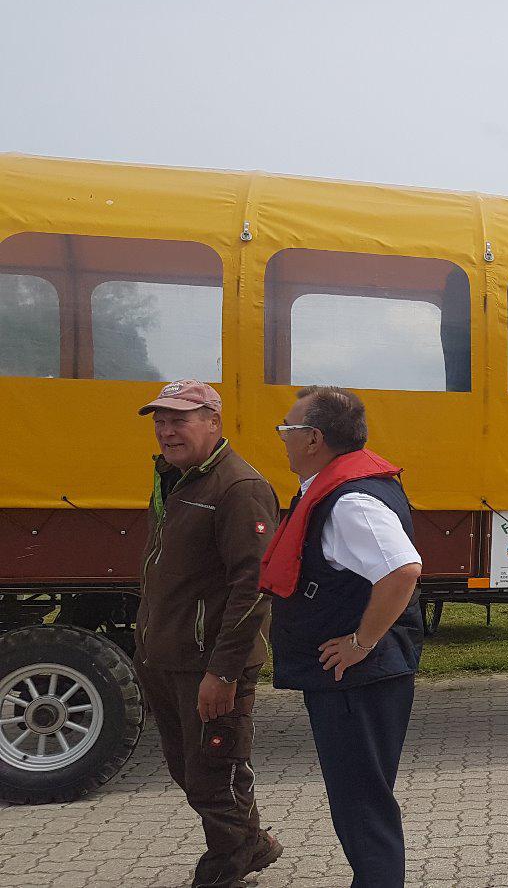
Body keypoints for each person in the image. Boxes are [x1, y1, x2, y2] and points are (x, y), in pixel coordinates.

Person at [260, 385, 425, 888]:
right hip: (356, 678)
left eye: (287, 429)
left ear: (313, 439)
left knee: (362, 807)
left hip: (358, 679)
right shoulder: (337, 488)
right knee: (360, 802)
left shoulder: (351, 500)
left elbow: (402, 570)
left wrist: (359, 643)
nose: (282, 439)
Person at [134, 379, 283, 888]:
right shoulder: (175, 478)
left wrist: (222, 672)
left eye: (180, 420)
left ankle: (229, 862)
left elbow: (254, 589)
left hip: (210, 664)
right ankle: (251, 843)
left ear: (213, 423)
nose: (167, 431)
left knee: (211, 776)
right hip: (167, 656)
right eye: (160, 421)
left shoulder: (238, 488)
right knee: (194, 769)